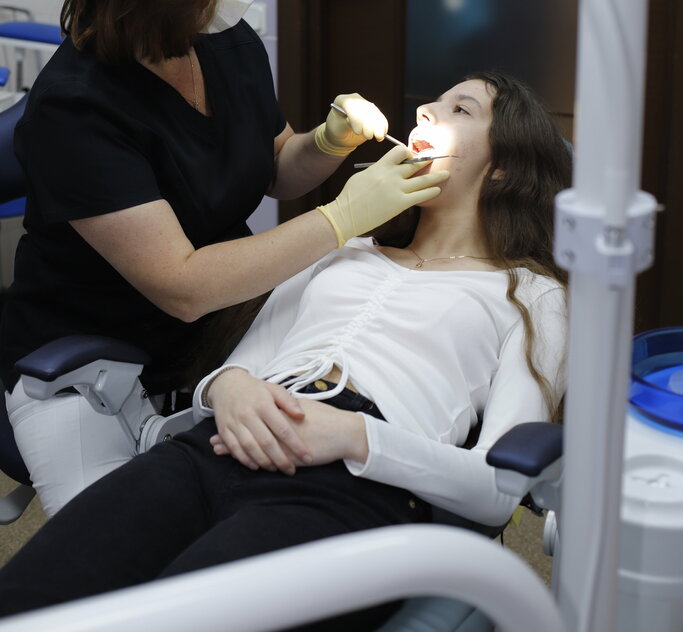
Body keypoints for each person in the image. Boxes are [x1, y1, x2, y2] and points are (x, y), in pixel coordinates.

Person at [0, 72, 571, 630]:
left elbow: (497, 488)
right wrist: (227, 388)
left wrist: (354, 435)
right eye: (433, 103)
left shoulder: (531, 295)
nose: (426, 112)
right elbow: (236, 371)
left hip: (349, 486)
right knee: (32, 598)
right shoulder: (342, 250)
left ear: (502, 167)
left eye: (460, 109)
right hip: (216, 447)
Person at [0, 0, 448, 517]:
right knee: (118, 542)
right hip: (91, 350)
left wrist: (327, 142)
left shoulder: (222, 41)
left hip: (225, 320)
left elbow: (274, 167)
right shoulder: (78, 106)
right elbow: (181, 286)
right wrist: (341, 217)